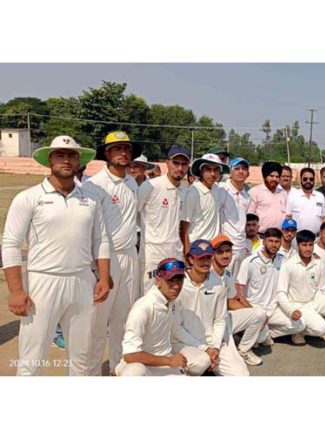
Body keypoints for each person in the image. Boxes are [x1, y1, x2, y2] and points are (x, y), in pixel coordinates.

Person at [2, 135, 110, 376]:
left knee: (81, 359)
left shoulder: (91, 199)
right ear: (49, 160)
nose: (66, 160)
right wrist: (16, 291)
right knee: (33, 358)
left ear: (79, 161)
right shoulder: (29, 197)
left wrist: (103, 278)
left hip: (82, 281)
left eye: (71, 155)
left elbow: (100, 240)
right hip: (43, 281)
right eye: (60, 155)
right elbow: (10, 244)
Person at [82, 130, 142, 376]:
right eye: (117, 149)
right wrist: (99, 272)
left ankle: (119, 371)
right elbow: (90, 230)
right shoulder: (94, 185)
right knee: (97, 323)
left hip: (130, 256)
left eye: (126, 149)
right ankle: (92, 373)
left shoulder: (131, 182)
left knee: (124, 321)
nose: (123, 153)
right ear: (107, 153)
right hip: (105, 260)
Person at [171, 240, 249, 376]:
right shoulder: (180, 284)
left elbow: (220, 320)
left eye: (208, 257)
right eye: (200, 258)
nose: (205, 262)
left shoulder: (218, 282)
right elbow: (176, 329)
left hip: (212, 342)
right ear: (190, 259)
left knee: (242, 375)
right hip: (185, 343)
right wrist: (205, 349)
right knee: (200, 363)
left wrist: (215, 348)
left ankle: (210, 364)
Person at [115, 258, 188, 376]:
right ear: (158, 280)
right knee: (134, 372)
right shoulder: (142, 308)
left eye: (179, 280)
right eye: (171, 280)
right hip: (140, 365)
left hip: (165, 365)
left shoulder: (173, 303)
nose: (176, 286)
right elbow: (130, 354)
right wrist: (170, 361)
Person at [276, 230, 325, 345]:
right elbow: (281, 293)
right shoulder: (288, 265)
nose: (308, 249)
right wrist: (291, 311)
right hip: (299, 305)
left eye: (310, 245)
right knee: (320, 328)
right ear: (298, 245)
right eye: (304, 245)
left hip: (315, 300)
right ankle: (299, 331)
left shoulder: (318, 263)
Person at [236, 228, 305, 345]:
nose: (274, 245)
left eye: (277, 242)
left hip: (274, 308)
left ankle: (268, 333)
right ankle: (257, 334)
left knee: (300, 325)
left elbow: (299, 262)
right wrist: (252, 312)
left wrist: (314, 256)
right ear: (264, 242)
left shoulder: (283, 259)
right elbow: (239, 291)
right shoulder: (250, 261)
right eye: (270, 241)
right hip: (255, 309)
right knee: (260, 340)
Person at [137, 145, 191, 293]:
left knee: (173, 296)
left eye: (184, 164)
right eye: (176, 163)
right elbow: (135, 215)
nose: (180, 168)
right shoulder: (150, 186)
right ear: (167, 163)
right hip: (152, 255)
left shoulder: (185, 191)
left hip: (175, 253)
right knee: (150, 297)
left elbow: (183, 226)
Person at [210, 235, 266, 367]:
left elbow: (231, 301)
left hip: (225, 318)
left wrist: (253, 315)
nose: (225, 255)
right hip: (210, 325)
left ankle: (244, 350)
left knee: (260, 316)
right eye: (220, 252)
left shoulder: (228, 273)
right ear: (213, 254)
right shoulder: (206, 273)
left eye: (228, 251)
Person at [180, 153, 229, 255]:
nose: (212, 174)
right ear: (201, 171)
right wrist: (187, 252)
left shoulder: (216, 188)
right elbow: (184, 226)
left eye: (216, 170)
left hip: (213, 245)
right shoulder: (193, 192)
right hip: (196, 247)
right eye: (208, 169)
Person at [221, 157, 251, 277]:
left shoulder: (247, 196)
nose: (240, 171)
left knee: (237, 282)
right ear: (230, 172)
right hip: (224, 245)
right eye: (237, 168)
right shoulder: (221, 190)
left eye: (244, 169)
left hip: (240, 245)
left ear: (248, 173)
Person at [248, 161, 287, 235]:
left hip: (279, 236)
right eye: (271, 176)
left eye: (277, 177)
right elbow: (249, 216)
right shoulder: (255, 192)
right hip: (260, 235)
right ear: (264, 177)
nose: (274, 179)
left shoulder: (283, 193)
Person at [285, 167, 325, 234]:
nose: (308, 181)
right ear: (300, 179)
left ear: (314, 180)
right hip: (297, 237)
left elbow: (324, 218)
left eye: (311, 179)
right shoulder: (293, 196)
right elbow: (288, 217)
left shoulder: (320, 196)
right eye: (305, 179)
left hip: (316, 237)